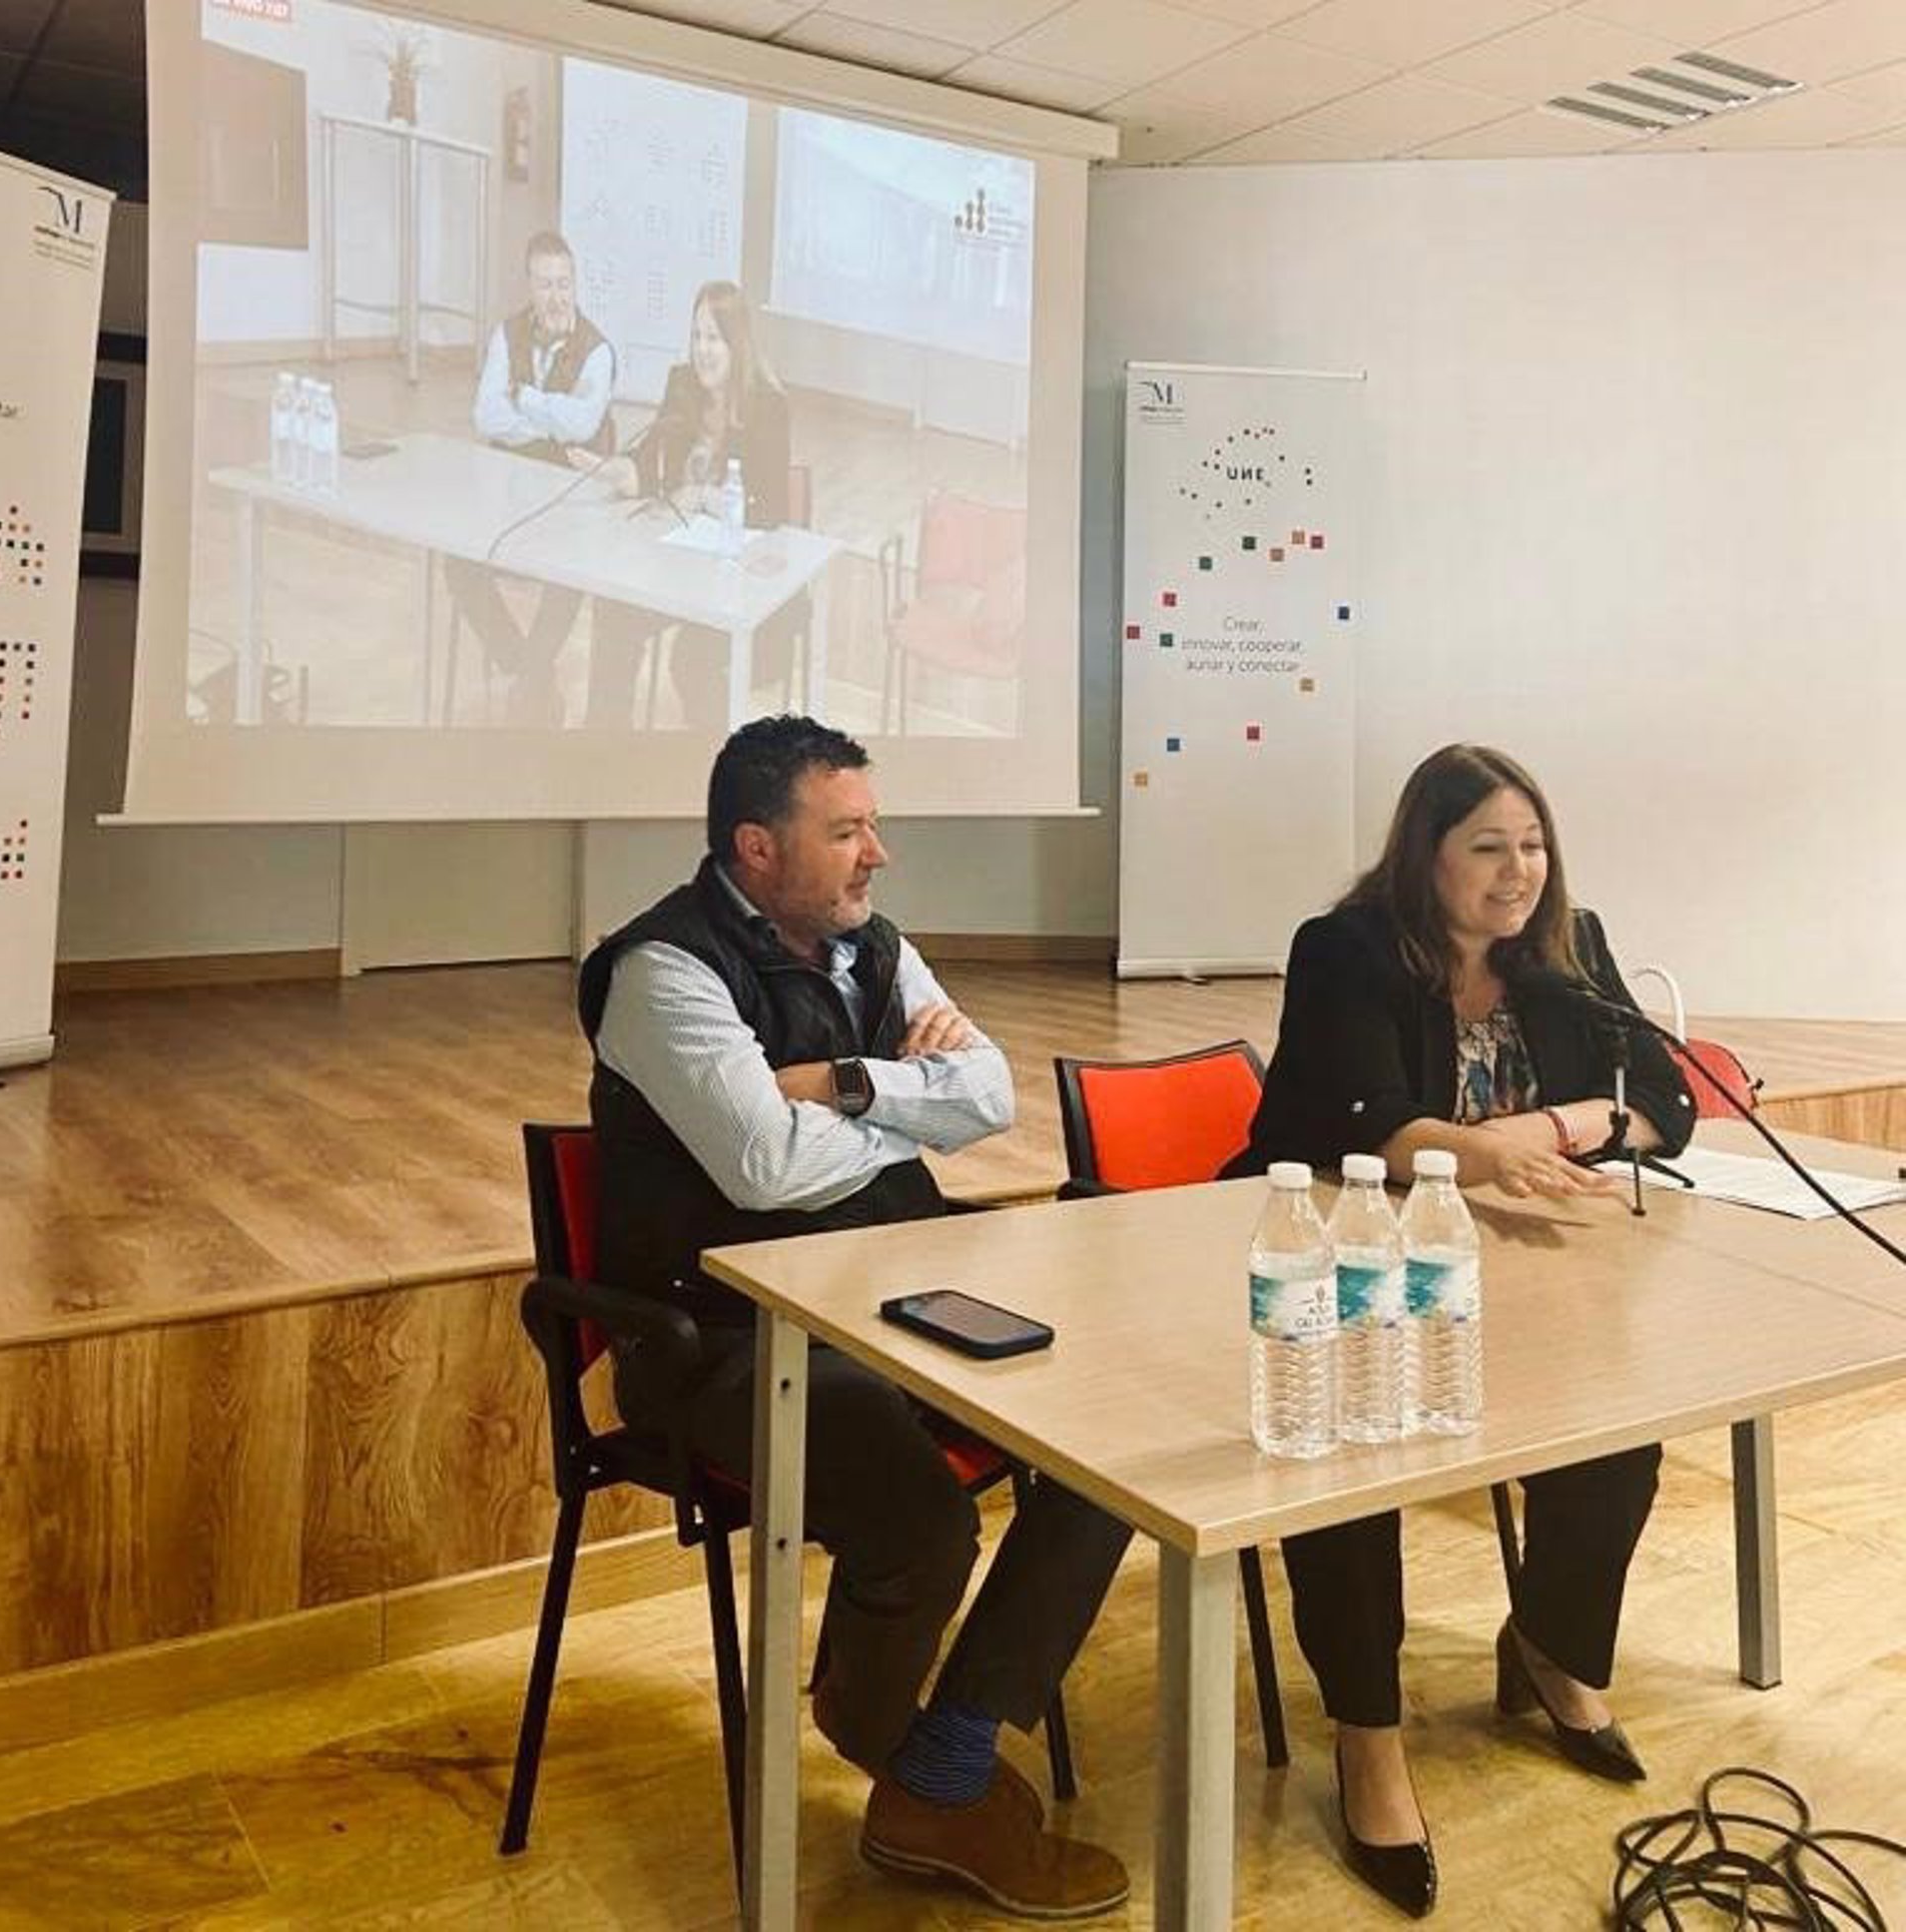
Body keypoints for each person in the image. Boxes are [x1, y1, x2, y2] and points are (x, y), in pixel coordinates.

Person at [577, 715, 1131, 1919]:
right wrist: (907, 1107)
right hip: (722, 1341)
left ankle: (941, 1757)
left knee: (1111, 1443)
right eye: (847, 831)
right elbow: (763, 1170)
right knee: (922, 1519)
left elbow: (988, 1095)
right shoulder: (662, 971)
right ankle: (916, 1765)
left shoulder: (873, 946)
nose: (878, 853)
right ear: (757, 848)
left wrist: (842, 1083)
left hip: (893, 1301)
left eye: (872, 825)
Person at [1225, 743, 1694, 1919]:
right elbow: (1357, 1118)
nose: (1518, 870)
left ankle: (1550, 1646)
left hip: (1515, 1264)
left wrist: (1563, 1126)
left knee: (1618, 1428)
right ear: (1425, 856)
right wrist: (1481, 1151)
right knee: (1356, 1454)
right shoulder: (1347, 949)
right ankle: (1368, 1736)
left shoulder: (1570, 948)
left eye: (1532, 845)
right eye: (1488, 847)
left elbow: (1668, 1104)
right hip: (1346, 1254)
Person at [582, 282, 798, 729]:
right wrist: (619, 470)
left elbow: (772, 510)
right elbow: (651, 464)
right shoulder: (682, 385)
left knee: (692, 659)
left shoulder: (768, 406)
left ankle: (716, 763)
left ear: (737, 344)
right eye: (697, 336)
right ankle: (603, 750)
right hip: (679, 567)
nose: (702, 350)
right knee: (614, 614)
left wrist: (704, 496)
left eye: (714, 338)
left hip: (739, 581)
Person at [443, 230, 616, 722]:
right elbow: (486, 417)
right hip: (511, 488)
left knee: (568, 573)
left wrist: (524, 399)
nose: (557, 297)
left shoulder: (598, 351)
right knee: (459, 564)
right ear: (529, 286)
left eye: (564, 284)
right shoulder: (507, 334)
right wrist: (550, 422)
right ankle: (528, 669)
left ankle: (530, 679)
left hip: (571, 497)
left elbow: (582, 426)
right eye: (545, 284)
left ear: (575, 284)